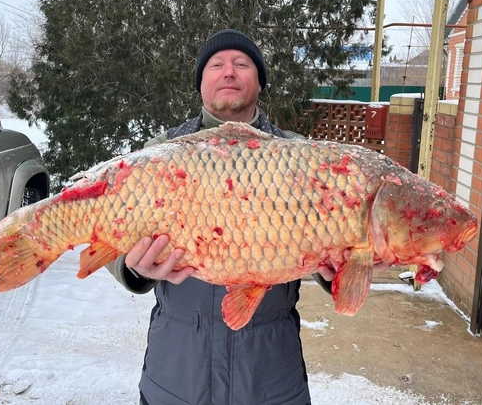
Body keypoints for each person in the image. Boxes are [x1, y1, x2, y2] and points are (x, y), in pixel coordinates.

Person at [109, 29, 335, 405]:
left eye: (242, 64)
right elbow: (111, 224)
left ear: (259, 81)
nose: (229, 72)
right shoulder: (159, 153)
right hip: (176, 377)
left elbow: (331, 249)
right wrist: (131, 267)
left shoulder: (299, 158)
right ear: (201, 83)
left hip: (271, 379)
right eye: (217, 65)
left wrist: (341, 267)